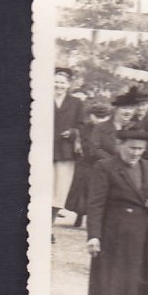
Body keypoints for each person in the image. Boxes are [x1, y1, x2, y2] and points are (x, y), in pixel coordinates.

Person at [85, 125, 148, 295]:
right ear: (120, 146)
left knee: (134, 280)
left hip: (141, 233)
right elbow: (95, 204)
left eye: (140, 149)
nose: (136, 153)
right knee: (112, 282)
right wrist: (94, 236)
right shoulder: (105, 167)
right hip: (114, 234)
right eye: (131, 148)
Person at [64, 102, 113, 228]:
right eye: (96, 117)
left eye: (103, 118)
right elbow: (78, 135)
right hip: (85, 161)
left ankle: (94, 220)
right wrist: (75, 139)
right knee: (81, 189)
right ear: (91, 116)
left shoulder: (108, 129)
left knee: (95, 191)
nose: (99, 120)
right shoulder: (86, 127)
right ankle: (79, 216)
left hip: (99, 162)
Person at [52, 67, 85, 239]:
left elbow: (81, 125)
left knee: (59, 191)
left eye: (62, 83)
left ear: (68, 85)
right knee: (41, 190)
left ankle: (49, 227)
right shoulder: (41, 98)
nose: (59, 85)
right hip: (44, 151)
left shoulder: (76, 103)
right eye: (56, 81)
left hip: (64, 152)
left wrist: (72, 132)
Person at [91, 90, 139, 160]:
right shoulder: (101, 127)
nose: (128, 112)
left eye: (131, 108)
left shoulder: (136, 129)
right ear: (116, 109)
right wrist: (112, 162)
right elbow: (94, 149)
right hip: (104, 167)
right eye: (124, 108)